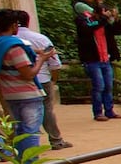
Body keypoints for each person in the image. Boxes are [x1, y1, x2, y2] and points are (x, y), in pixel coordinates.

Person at [0, 10, 51, 157]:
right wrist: (41, 59)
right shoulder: (16, 48)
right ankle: (30, 160)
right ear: (14, 25)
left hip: (10, 94)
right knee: (31, 131)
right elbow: (28, 74)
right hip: (28, 94)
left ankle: (21, 158)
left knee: (20, 129)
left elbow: (0, 47)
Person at [13, 11, 70, 149]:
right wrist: (53, 80)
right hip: (41, 79)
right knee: (47, 110)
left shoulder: (5, 40)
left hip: (13, 82)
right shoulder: (41, 39)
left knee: (16, 113)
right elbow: (55, 64)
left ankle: (19, 145)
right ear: (28, 21)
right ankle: (55, 140)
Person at [73, 0, 121, 121]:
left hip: (105, 59)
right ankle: (98, 112)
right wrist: (103, 19)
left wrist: (115, 19)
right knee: (99, 86)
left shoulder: (104, 23)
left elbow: (118, 31)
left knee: (109, 86)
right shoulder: (83, 20)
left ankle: (109, 111)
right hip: (92, 59)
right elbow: (87, 29)